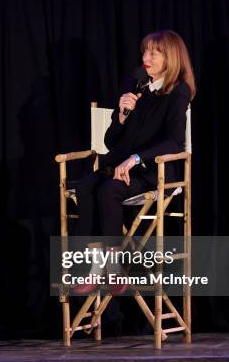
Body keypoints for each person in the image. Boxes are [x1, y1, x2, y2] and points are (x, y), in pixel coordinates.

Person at [77, 30, 196, 239]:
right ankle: (97, 263)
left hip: (151, 170)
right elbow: (111, 142)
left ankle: (112, 267)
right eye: (145, 52)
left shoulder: (179, 91)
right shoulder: (134, 84)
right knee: (86, 185)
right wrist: (122, 115)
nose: (145, 59)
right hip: (120, 166)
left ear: (171, 57)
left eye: (153, 53)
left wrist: (135, 158)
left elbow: (175, 141)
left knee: (108, 190)